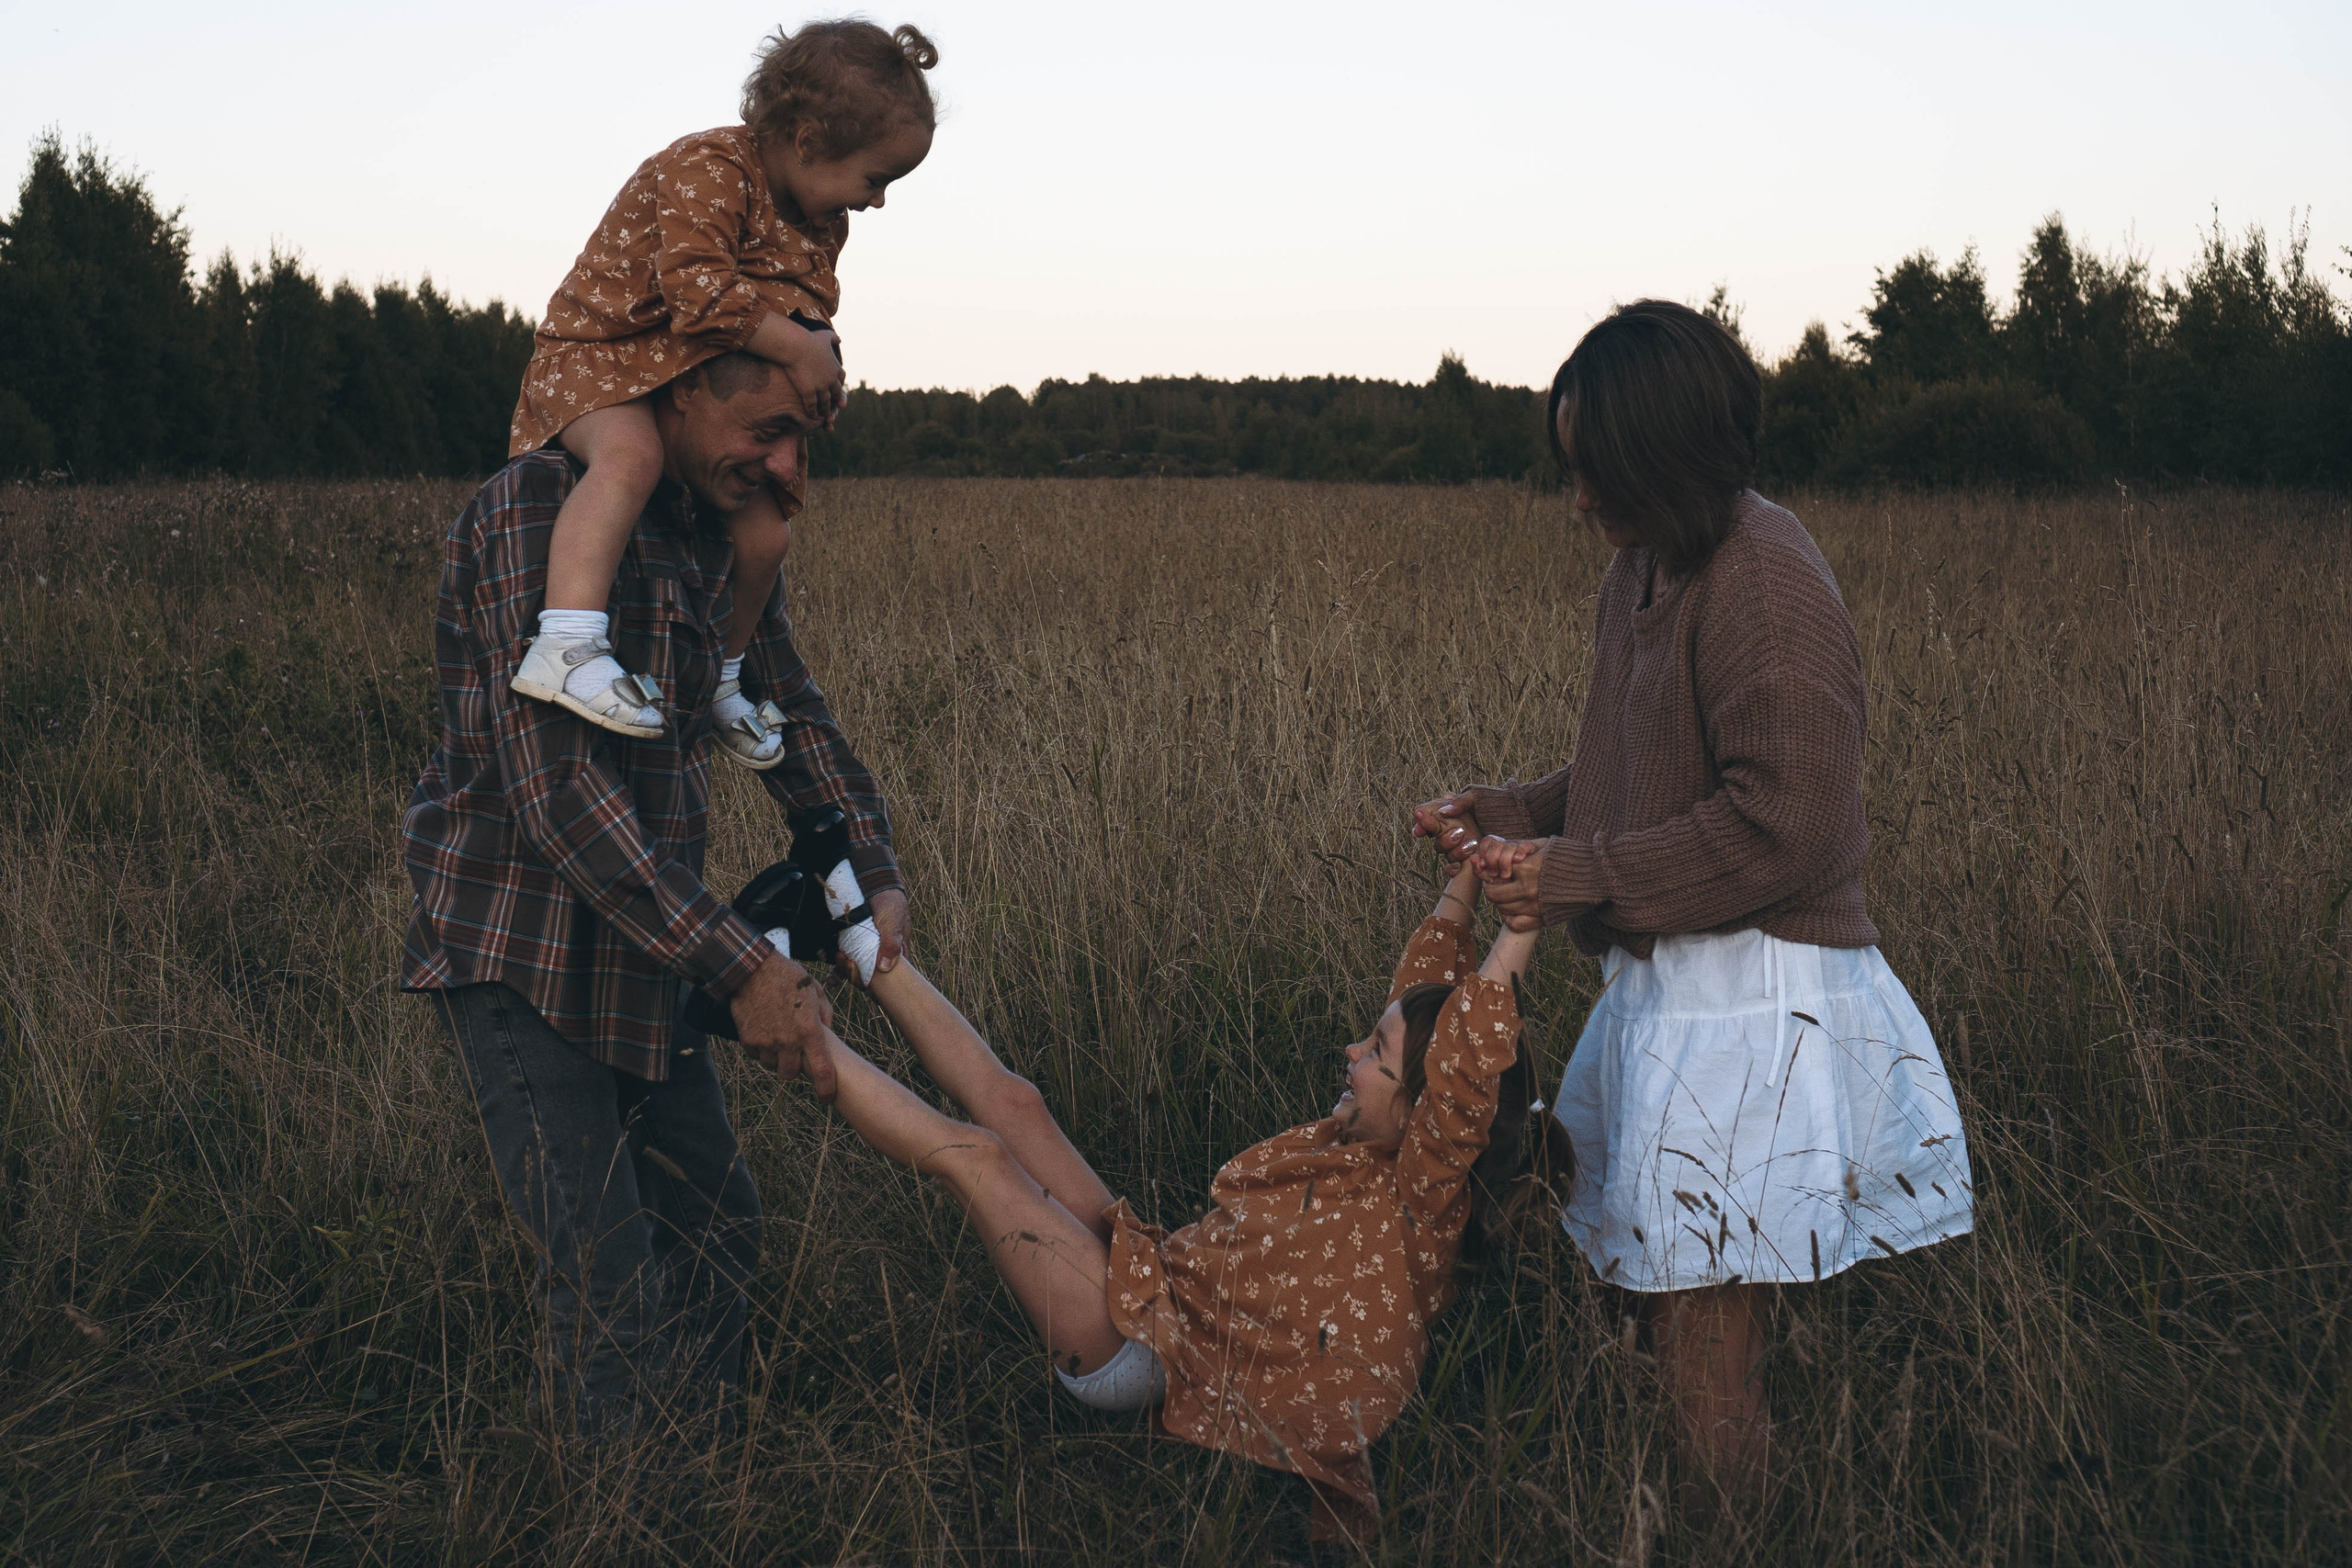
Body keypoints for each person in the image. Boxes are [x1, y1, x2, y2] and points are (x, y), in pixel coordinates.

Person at [1414, 299, 1973, 1517]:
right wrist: (1518, 809)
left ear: (1662, 457)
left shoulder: (1764, 575)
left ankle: (1736, 1536)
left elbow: (1789, 821)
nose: (1578, 500)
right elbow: (1637, 768)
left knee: (1703, 1341)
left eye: (1594, 470)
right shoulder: (1647, 564)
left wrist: (1577, 874)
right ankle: (1693, 1513)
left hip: (1756, 1002)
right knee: (1651, 1298)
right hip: (1677, 987)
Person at [401, 347, 910, 1449]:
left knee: (716, 1222)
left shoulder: (709, 533)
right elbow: (559, 800)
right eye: (764, 430)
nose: (785, 467)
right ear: (680, 386)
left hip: (648, 952)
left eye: (803, 444)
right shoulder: (534, 512)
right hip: (518, 954)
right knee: (606, 1280)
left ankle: (700, 1482)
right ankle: (629, 1520)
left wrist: (868, 867)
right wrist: (746, 970)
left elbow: (792, 714)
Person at [789, 863, 1562, 1543]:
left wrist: (1519, 928)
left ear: (1429, 1114)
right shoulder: (1372, 1138)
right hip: (1154, 1278)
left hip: (1143, 1354)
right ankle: (854, 934)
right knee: (1015, 1104)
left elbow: (1459, 1062)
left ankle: (784, 1015)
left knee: (977, 1158)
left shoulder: (1420, 1209)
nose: (1353, 1052)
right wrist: (1467, 873)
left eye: (1375, 1054)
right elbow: (1424, 1006)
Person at [506, 18, 937, 768]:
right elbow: (696, 291)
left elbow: (801, 311)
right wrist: (795, 346)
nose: (877, 203)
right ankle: (566, 643)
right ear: (807, 142)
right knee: (632, 457)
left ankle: (722, 683)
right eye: (876, 178)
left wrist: (821, 362)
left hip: (684, 367)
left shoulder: (821, 218)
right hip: (603, 356)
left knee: (769, 534)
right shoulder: (710, 168)